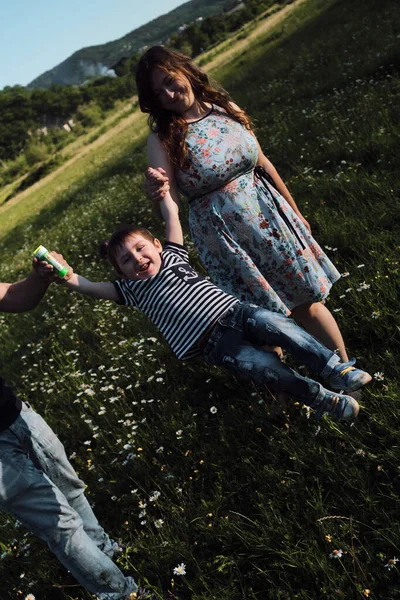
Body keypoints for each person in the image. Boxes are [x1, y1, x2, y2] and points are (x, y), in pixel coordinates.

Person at [59, 188, 371, 423]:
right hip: (216, 345)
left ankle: (334, 368)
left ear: (156, 245)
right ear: (121, 272)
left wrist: (166, 193)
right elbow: (89, 287)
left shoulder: (173, 256)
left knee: (283, 327)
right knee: (268, 370)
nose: (138, 259)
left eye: (140, 249)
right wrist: (65, 275)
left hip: (238, 313)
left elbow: (171, 217)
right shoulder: (130, 290)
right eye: (127, 260)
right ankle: (324, 401)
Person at [136, 46, 350, 363]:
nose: (168, 93)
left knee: (307, 301)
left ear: (184, 70)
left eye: (170, 80)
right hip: (224, 239)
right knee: (262, 324)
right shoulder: (163, 139)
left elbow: (263, 163)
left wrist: (296, 213)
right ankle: (291, 401)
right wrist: (157, 194)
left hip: (269, 218)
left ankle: (347, 375)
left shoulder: (225, 108)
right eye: (158, 92)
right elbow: (169, 204)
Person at [0, 258, 149, 600]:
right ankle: (123, 595)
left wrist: (39, 279)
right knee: (60, 523)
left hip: (15, 413)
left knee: (69, 488)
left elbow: (12, 296)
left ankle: (105, 550)